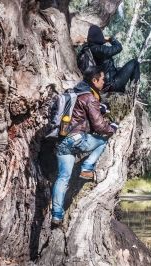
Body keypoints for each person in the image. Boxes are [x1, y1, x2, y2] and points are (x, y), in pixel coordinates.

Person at [51, 66, 118, 226]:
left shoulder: (73, 92)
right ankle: (87, 169)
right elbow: (100, 126)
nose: (104, 82)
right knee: (103, 141)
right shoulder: (89, 97)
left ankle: (56, 215)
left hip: (61, 140)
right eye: (102, 79)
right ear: (94, 81)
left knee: (62, 178)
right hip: (76, 139)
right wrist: (113, 127)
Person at [86, 25, 140, 93]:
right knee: (135, 63)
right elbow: (118, 47)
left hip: (105, 82)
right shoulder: (99, 50)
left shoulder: (89, 48)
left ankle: (123, 91)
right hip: (111, 84)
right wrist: (111, 39)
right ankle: (134, 92)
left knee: (120, 68)